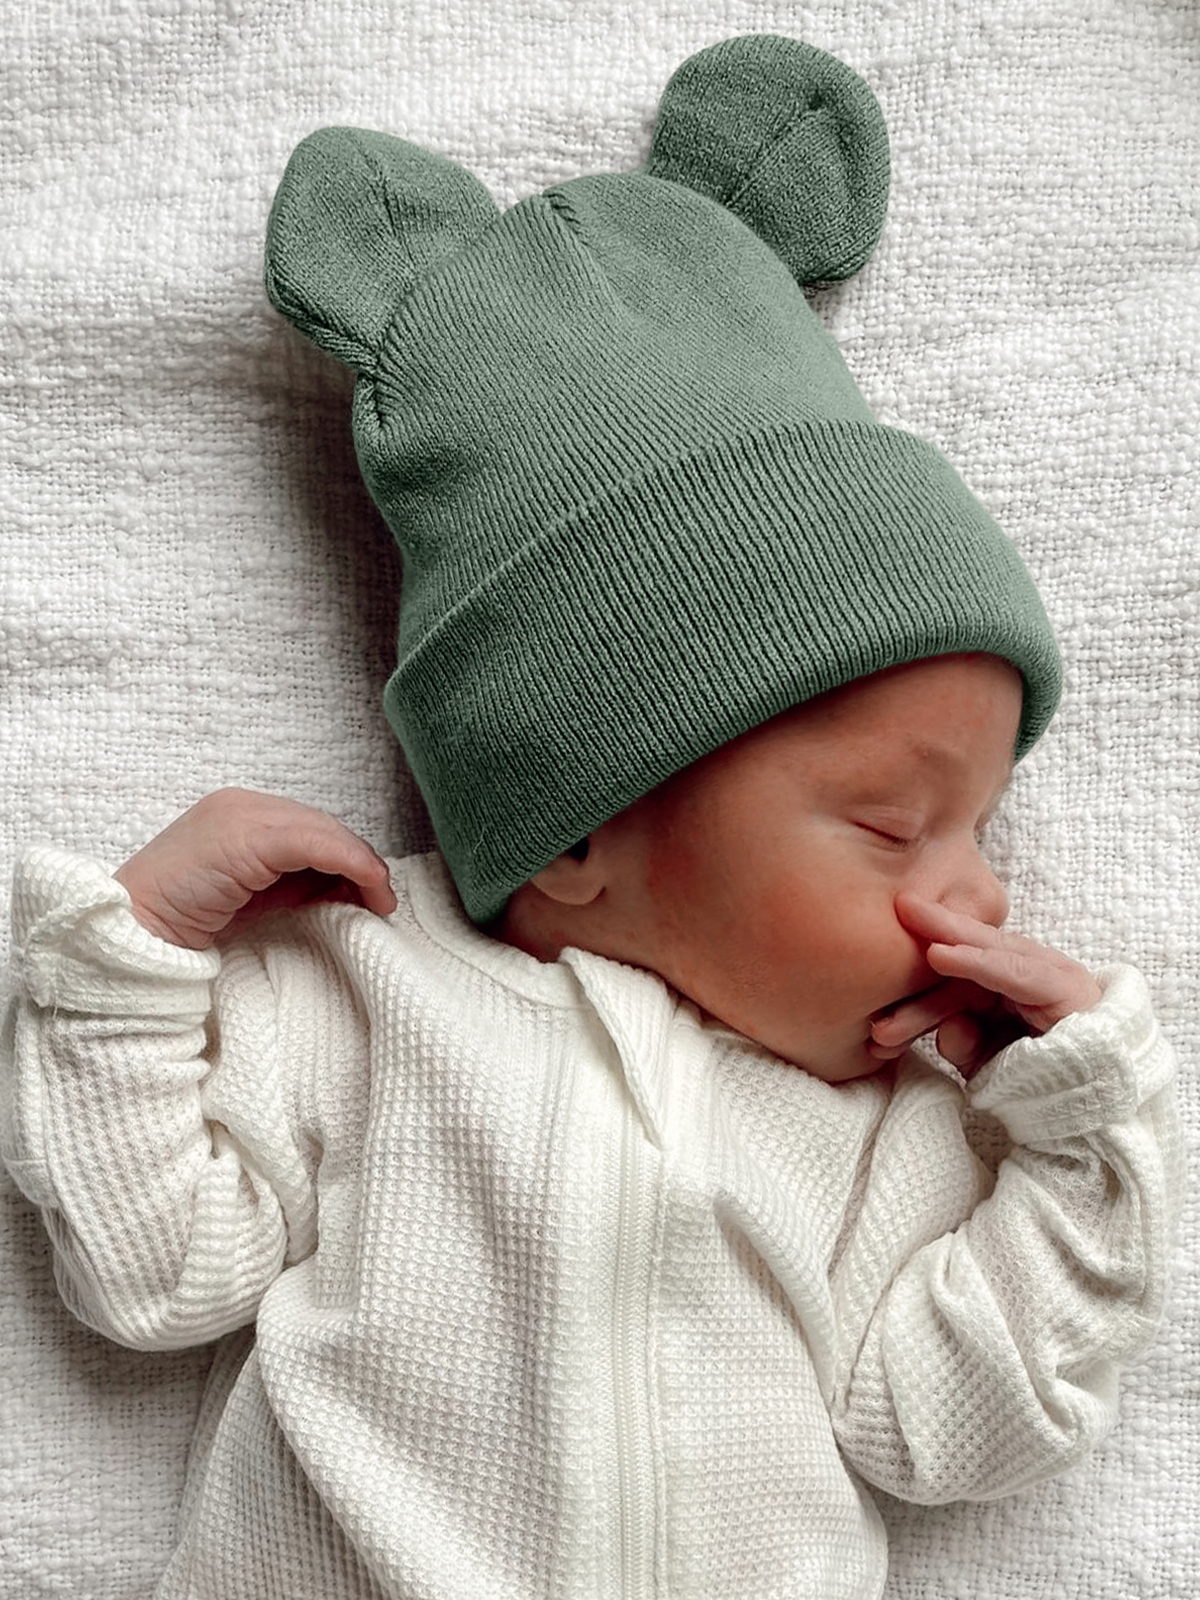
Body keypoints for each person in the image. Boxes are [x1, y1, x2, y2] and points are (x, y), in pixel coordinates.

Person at [1, 34, 1181, 1600]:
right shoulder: (367, 994)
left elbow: (949, 1433)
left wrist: (1084, 1147)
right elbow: (153, 1278)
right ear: (575, 825)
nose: (974, 902)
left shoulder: (895, 1127)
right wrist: (128, 961)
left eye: (981, 828)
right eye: (898, 829)